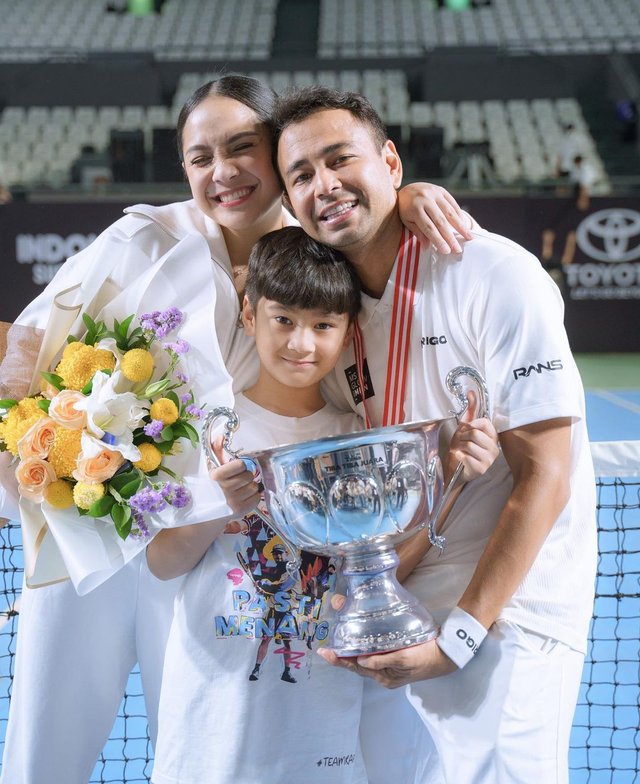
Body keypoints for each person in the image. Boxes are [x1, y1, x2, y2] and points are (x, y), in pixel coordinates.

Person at [0, 74, 470, 784]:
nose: (222, 172)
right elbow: (30, 348)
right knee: (45, 744)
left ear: (277, 152)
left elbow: (368, 225)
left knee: (189, 733)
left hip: (201, 554)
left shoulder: (314, 252)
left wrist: (407, 198)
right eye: (201, 157)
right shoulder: (143, 238)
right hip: (93, 534)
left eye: (242, 148)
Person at [271, 86, 597, 784]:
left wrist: (459, 639)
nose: (324, 184)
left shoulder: (493, 273)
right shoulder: (333, 315)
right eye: (301, 175)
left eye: (340, 159)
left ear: (390, 162)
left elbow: (547, 476)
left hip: (505, 621)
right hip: (402, 616)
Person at [146, 227, 498, 784]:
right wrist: (218, 504)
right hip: (212, 714)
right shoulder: (205, 429)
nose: (301, 343)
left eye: (323, 325)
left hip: (324, 714)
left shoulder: (360, 438)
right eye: (283, 319)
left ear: (348, 329)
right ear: (250, 315)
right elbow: (162, 563)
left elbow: (381, 570)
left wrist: (454, 479)